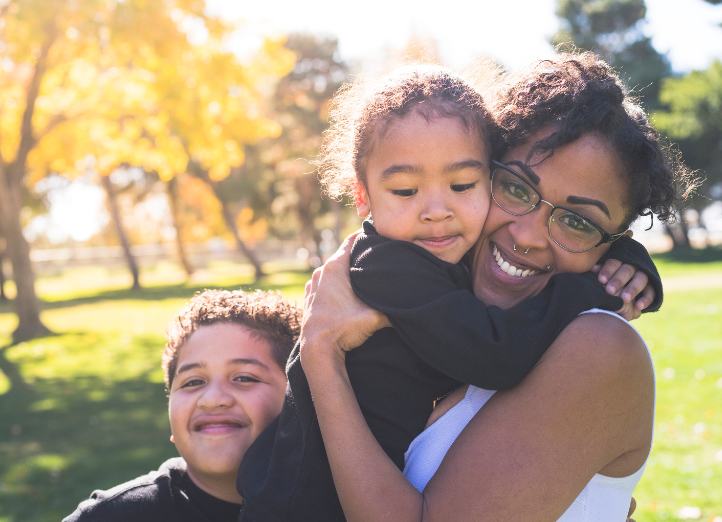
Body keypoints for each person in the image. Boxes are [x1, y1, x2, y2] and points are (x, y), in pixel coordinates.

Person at [238, 64, 662, 521]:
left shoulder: (597, 346)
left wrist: (625, 259)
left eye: (579, 223)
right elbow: (494, 353)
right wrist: (590, 285)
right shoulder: (395, 267)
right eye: (516, 189)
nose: (527, 236)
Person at [63, 290, 299, 522]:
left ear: (297, 399)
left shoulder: (321, 505)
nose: (212, 399)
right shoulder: (109, 517)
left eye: (244, 378)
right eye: (193, 382)